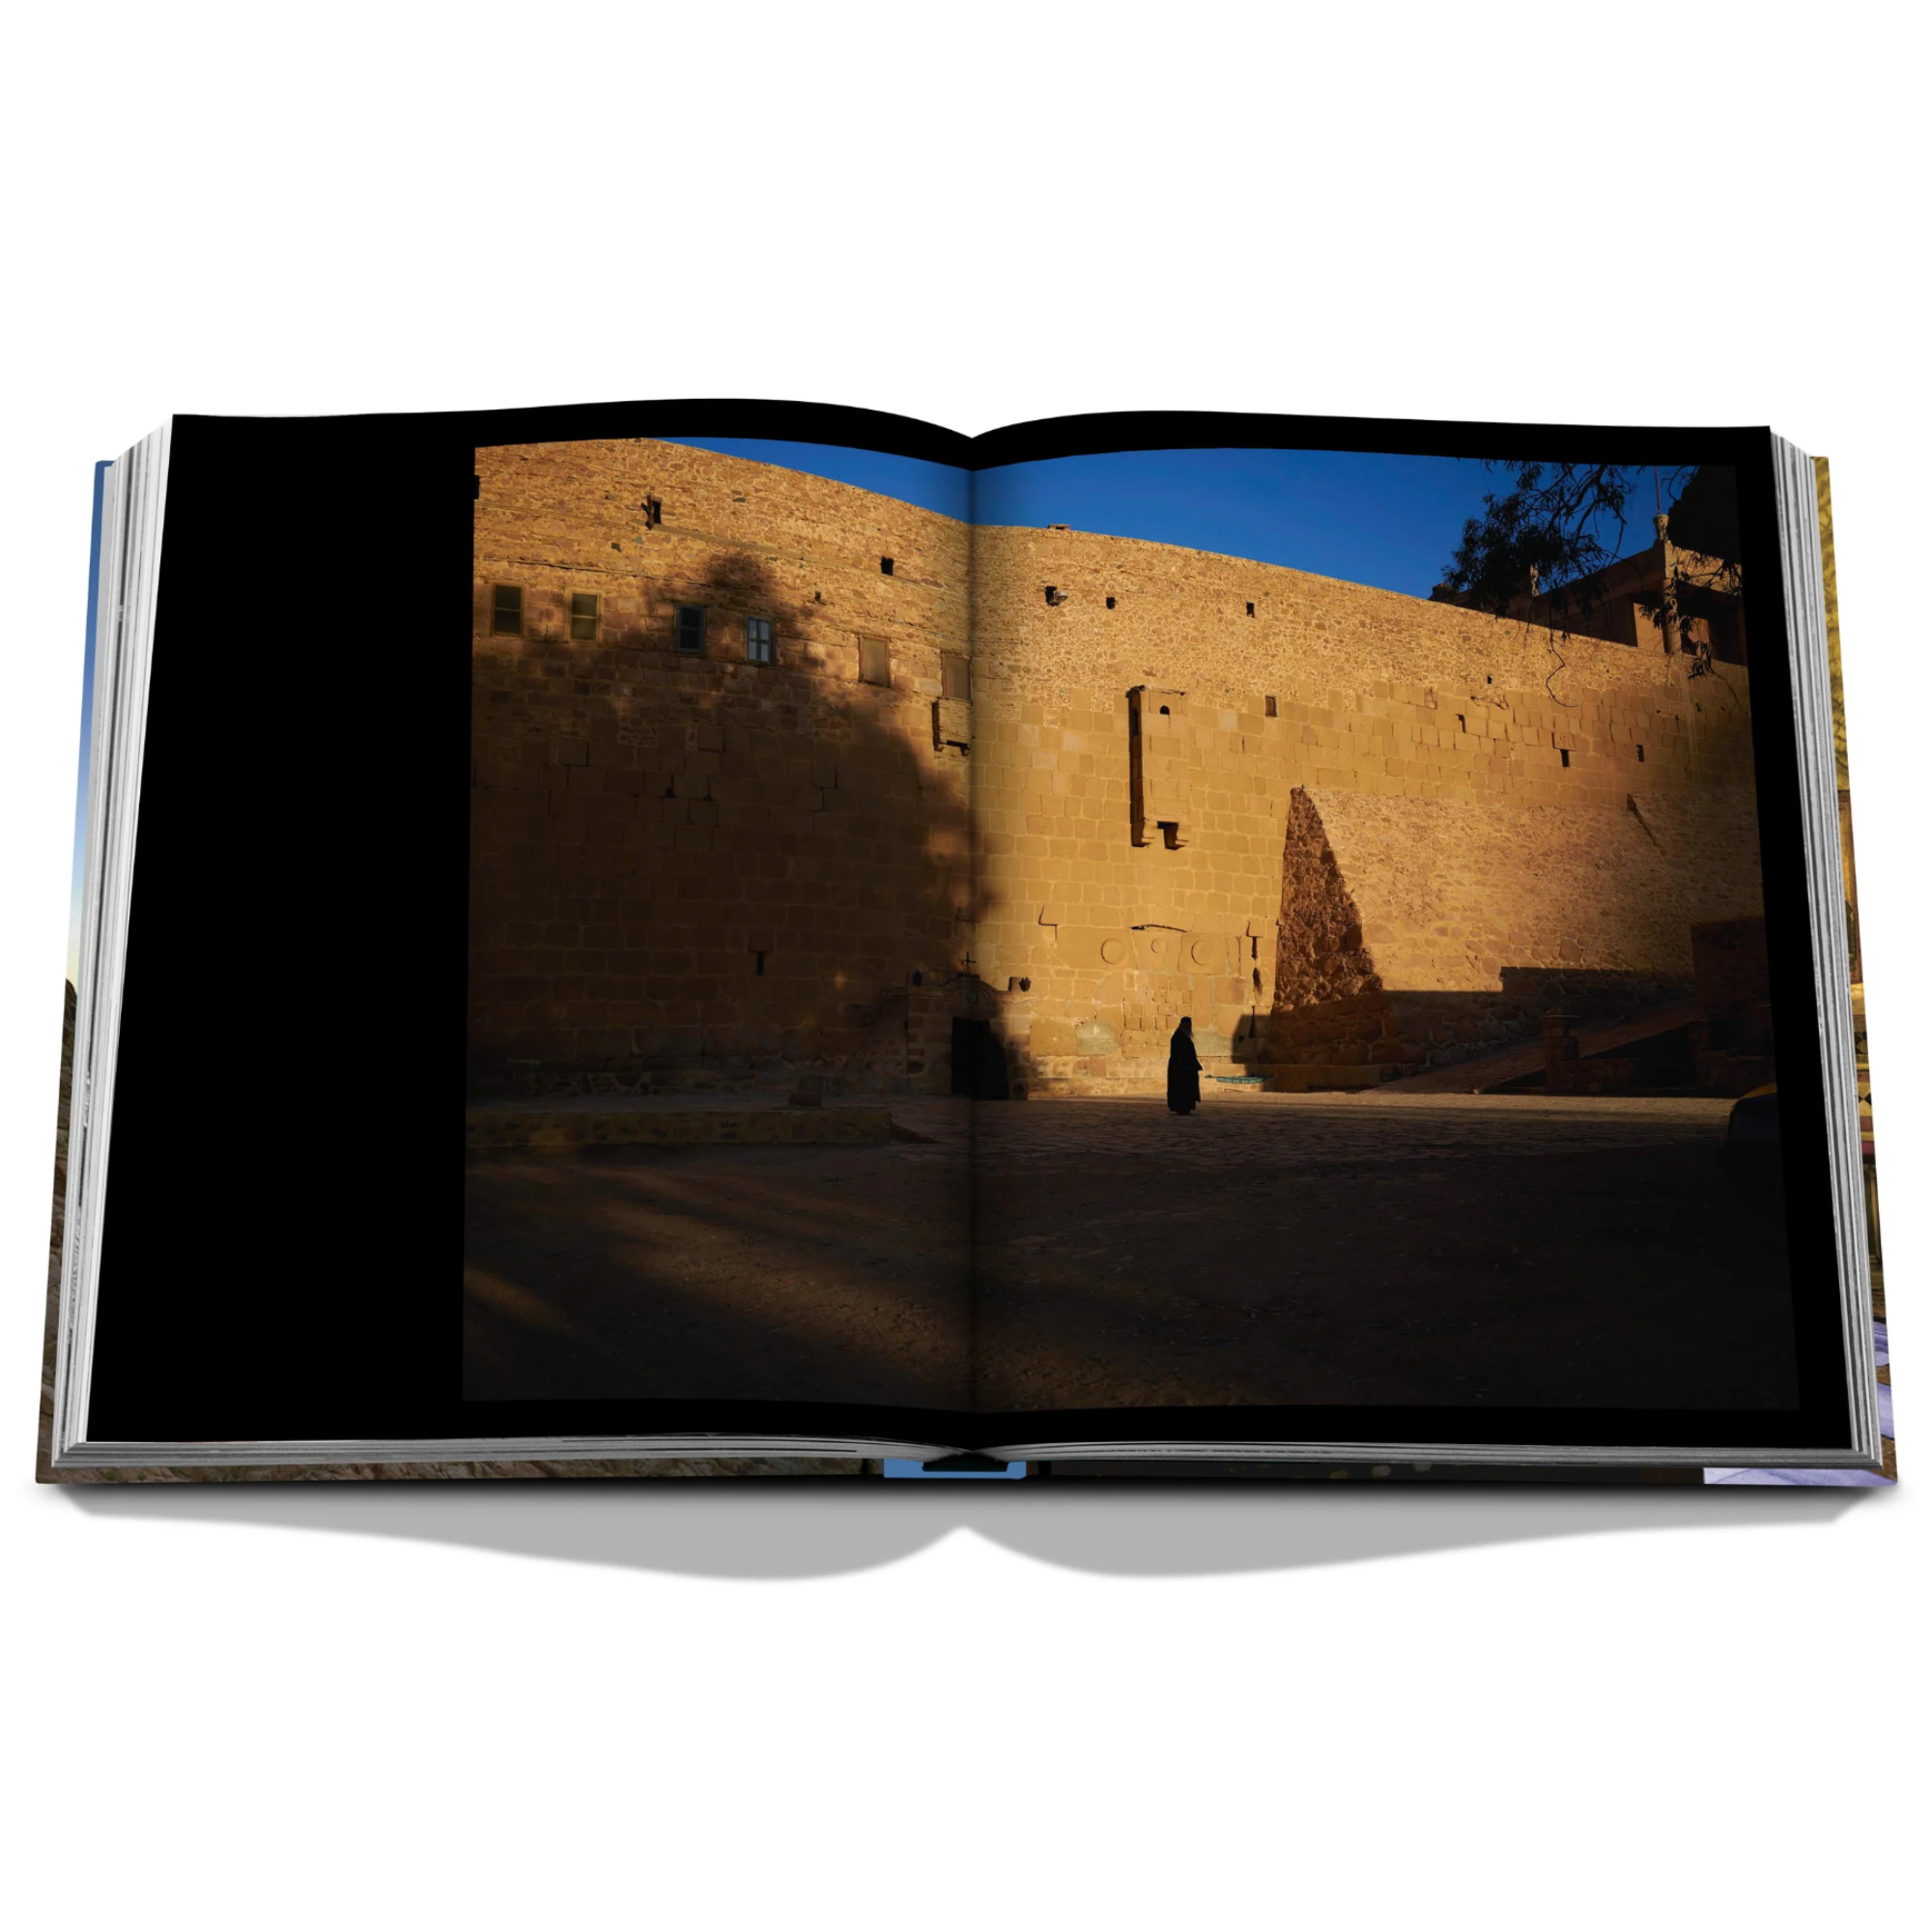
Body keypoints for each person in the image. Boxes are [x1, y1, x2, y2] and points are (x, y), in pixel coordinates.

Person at [1167, 1014, 1202, 1115]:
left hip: (1188, 1068)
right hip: (1180, 1069)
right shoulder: (1177, 1037)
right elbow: (1177, 1053)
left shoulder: (1185, 1038)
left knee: (1188, 1089)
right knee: (1180, 1089)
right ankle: (1181, 1107)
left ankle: (1187, 1106)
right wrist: (1184, 1065)